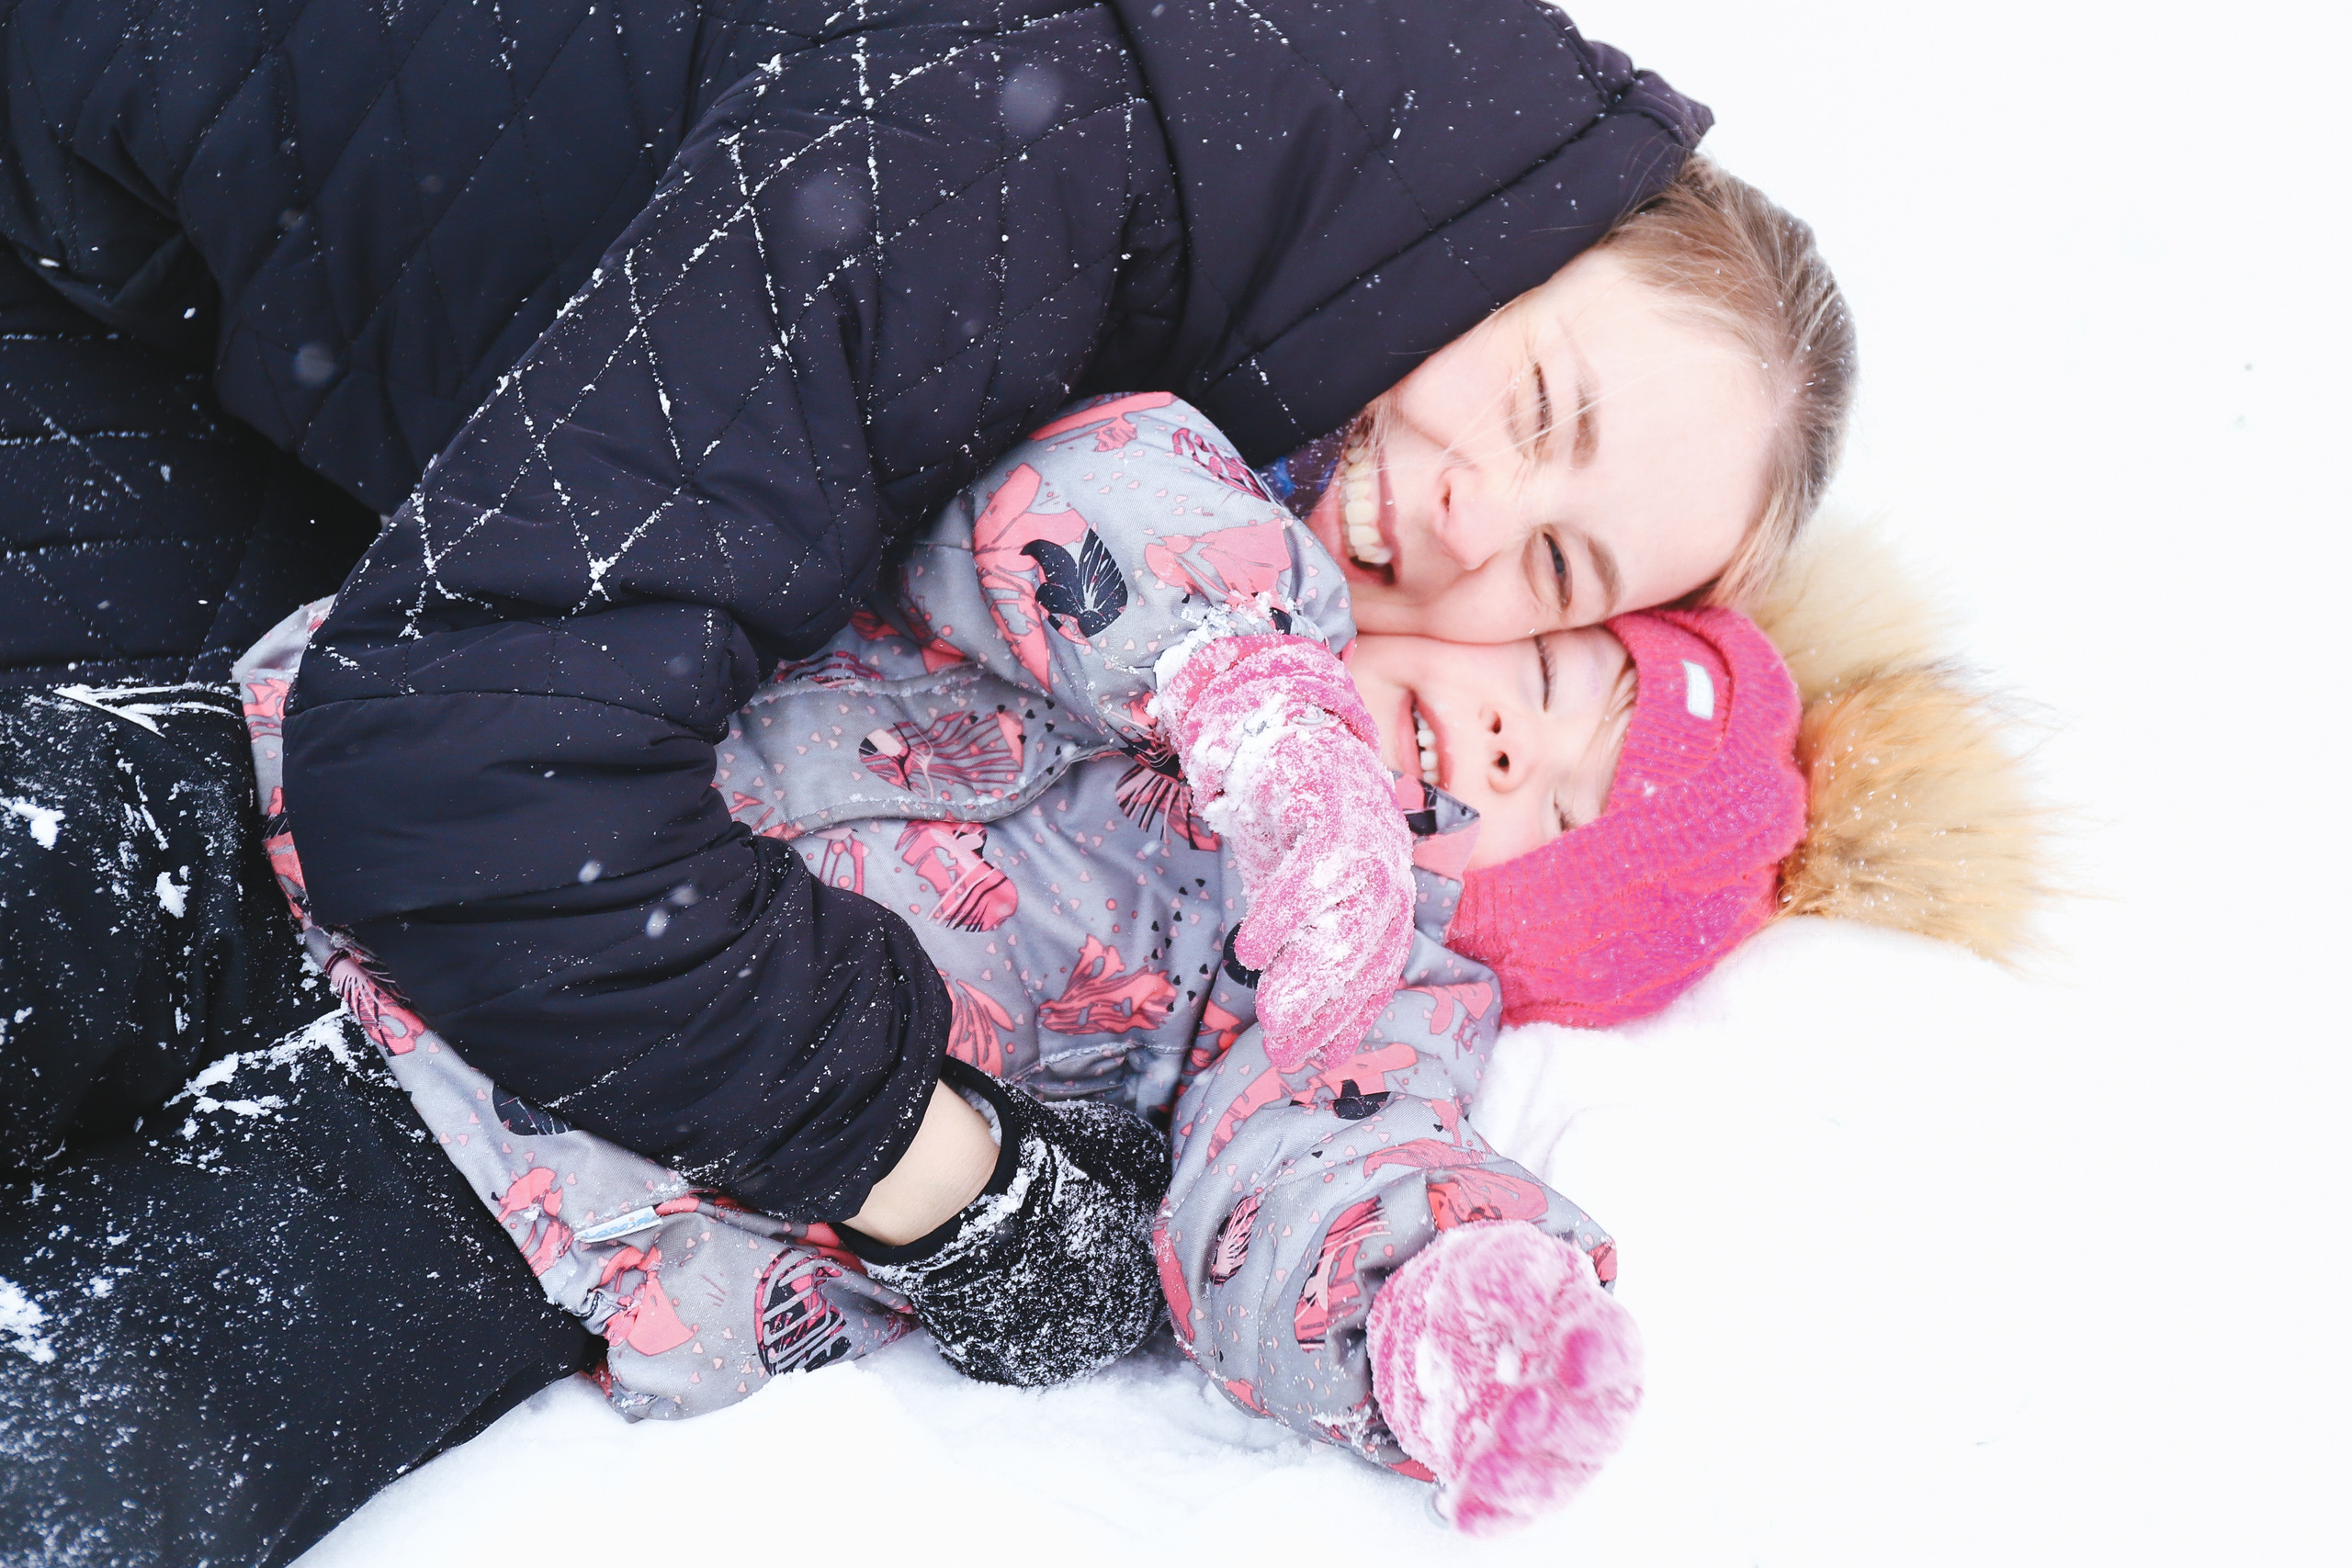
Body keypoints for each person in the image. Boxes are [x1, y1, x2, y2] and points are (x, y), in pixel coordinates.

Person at [220, 392, 1812, 1532]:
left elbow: (1316, 1159)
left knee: (134, 1402)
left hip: (533, 1179)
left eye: (1557, 813)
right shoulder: (1241, 561)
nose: (1503, 741)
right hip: (378, 791)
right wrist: (1245, 679)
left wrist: (1433, 1289)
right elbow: (1080, 480)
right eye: (1541, 678)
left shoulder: (1364, 984)